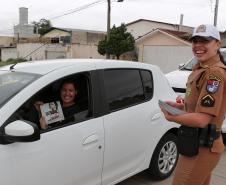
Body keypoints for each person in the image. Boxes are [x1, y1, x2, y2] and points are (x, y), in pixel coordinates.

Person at [160, 24, 226, 185]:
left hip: (202, 147)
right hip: (196, 143)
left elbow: (202, 119)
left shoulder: (214, 73)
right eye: (195, 41)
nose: (198, 45)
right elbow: (200, 108)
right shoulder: (201, 68)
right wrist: (180, 108)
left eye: (204, 41)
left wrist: (172, 118)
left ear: (217, 44)